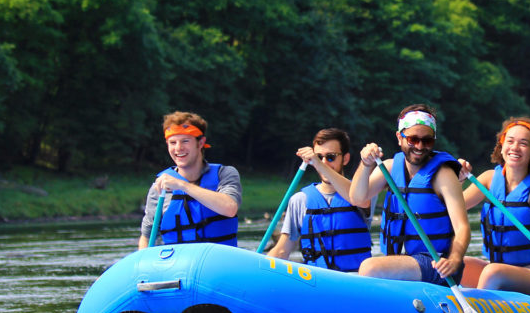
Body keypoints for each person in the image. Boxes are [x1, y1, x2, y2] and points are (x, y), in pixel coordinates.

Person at [350, 104, 470, 285]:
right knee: (366, 268)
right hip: (407, 261)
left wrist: (454, 259)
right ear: (400, 137)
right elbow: (358, 198)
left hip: (439, 264)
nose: (420, 146)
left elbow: (462, 227)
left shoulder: (443, 175)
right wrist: (366, 165)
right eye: (413, 139)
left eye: (427, 140)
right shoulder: (389, 168)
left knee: (369, 268)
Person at [459, 117, 530, 299]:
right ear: (501, 147)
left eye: (523, 143)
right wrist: (458, 180)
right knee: (455, 264)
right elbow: (452, 208)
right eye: (509, 141)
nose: (515, 147)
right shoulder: (488, 179)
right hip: (500, 270)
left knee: (492, 272)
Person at [267, 128, 372, 271]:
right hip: (318, 283)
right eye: (319, 157)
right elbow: (281, 251)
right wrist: (258, 270)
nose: (324, 162)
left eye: (331, 157)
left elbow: (356, 198)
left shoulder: (364, 192)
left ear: (345, 159)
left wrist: (318, 164)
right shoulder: (299, 200)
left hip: (355, 281)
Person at [139, 111, 242, 249]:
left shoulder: (225, 174)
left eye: (185, 141)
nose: (178, 148)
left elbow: (230, 208)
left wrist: (182, 185)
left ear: (201, 143)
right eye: (172, 142)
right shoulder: (159, 187)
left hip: (219, 263)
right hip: (177, 265)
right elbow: (147, 238)